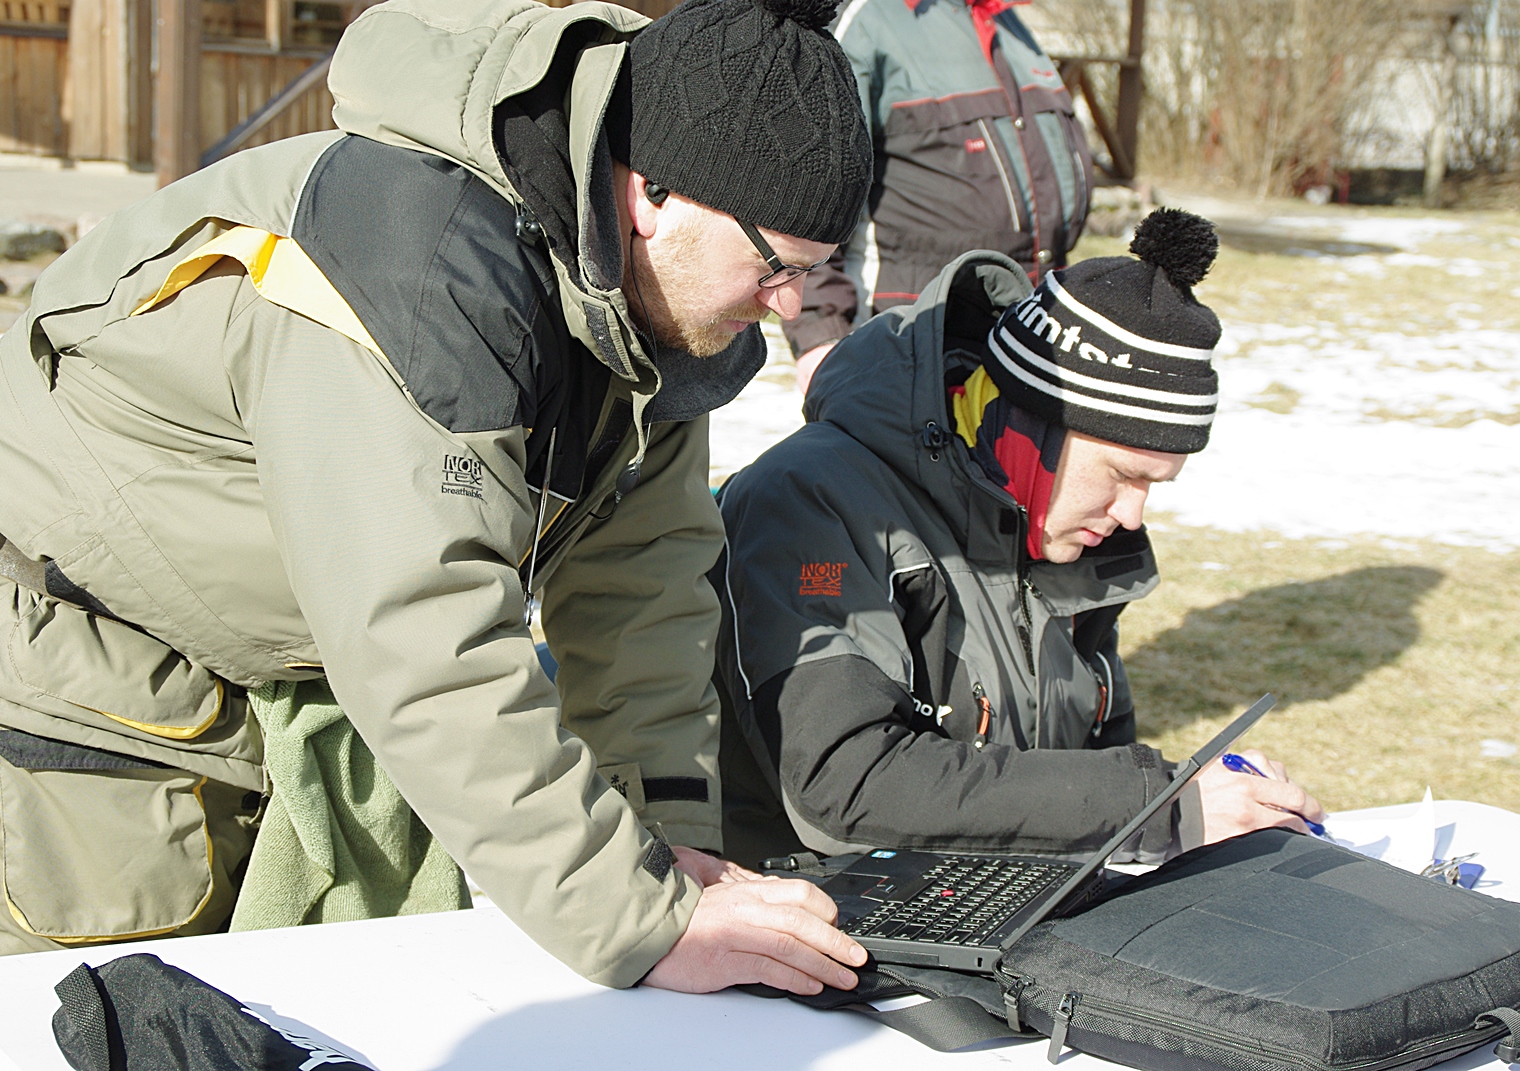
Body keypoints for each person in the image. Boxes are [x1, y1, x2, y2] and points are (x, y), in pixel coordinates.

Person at [0, 0, 876, 996]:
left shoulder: (661, 310)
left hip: (303, 659)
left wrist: (669, 854)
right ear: (652, 195)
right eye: (776, 266)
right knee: (104, 1014)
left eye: (816, 272)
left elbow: (642, 596)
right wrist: (636, 917)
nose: (790, 305)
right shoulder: (413, 264)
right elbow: (423, 628)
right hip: (95, 659)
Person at [713, 209, 1324, 867]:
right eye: (1123, 474)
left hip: (981, 897)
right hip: (791, 900)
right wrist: (1159, 806)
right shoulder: (809, 502)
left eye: (1156, 484)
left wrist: (1207, 798)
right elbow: (844, 785)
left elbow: (1085, 768)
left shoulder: (1065, 531)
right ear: (1032, 429)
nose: (1133, 514)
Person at [784, 0, 1096, 391]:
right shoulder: (868, 19)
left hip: (1023, 338)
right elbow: (808, 186)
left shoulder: (1005, 19)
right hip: (904, 346)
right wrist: (818, 334)